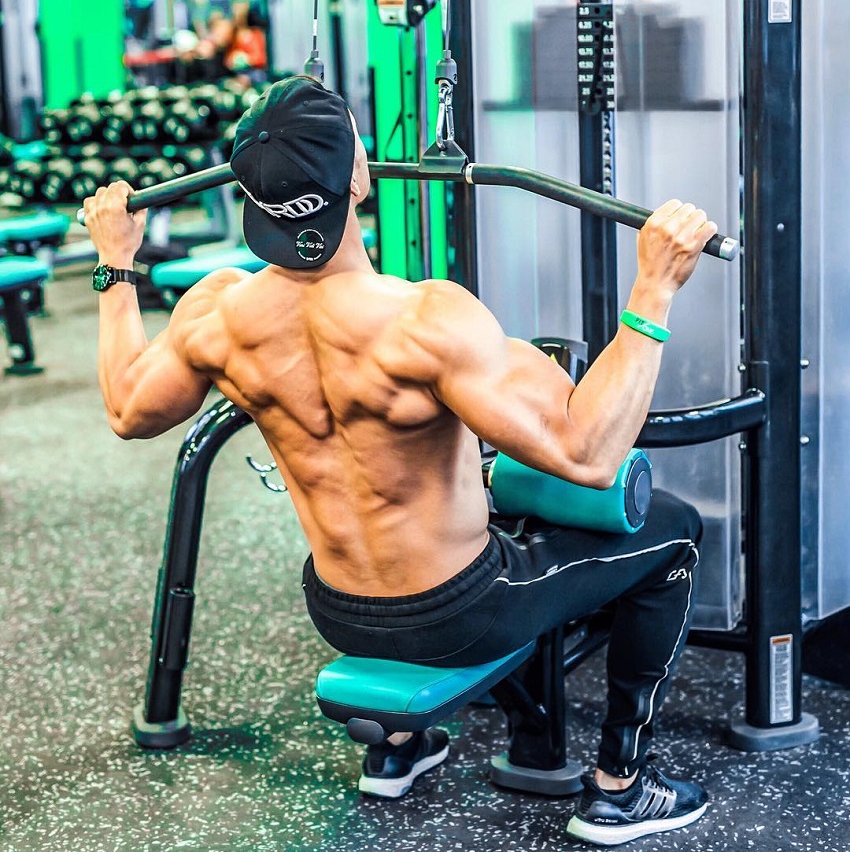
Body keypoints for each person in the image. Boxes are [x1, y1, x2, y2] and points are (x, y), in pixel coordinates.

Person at [84, 76, 717, 846]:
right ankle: (623, 786)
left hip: (336, 609)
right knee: (675, 534)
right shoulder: (426, 321)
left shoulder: (215, 312)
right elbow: (587, 452)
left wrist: (116, 265)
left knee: (494, 508)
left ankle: (398, 747)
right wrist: (653, 288)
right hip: (459, 615)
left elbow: (126, 408)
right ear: (355, 178)